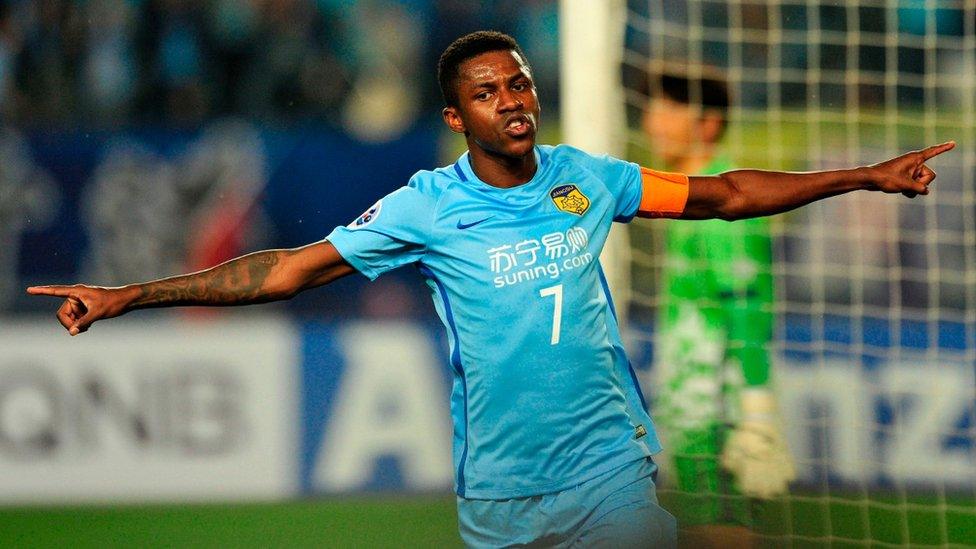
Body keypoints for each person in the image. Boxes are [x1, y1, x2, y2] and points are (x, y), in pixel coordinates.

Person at [28, 31, 953, 548]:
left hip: (608, 471)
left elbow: (723, 194)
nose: (512, 99)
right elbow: (283, 268)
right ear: (454, 115)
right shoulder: (423, 208)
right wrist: (128, 295)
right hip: (499, 497)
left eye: (519, 82)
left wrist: (864, 174)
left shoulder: (587, 177)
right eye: (487, 90)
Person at [642, 67, 792, 547]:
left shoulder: (724, 201)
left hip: (713, 406)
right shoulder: (689, 195)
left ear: (707, 124)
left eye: (668, 110)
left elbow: (747, 307)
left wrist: (756, 408)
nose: (652, 123)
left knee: (719, 533)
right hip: (694, 401)